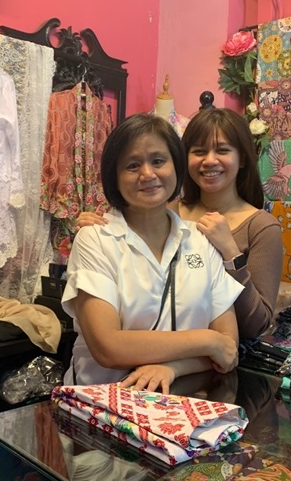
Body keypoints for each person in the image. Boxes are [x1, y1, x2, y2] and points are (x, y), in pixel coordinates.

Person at [62, 113, 244, 393]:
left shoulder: (200, 240)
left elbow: (228, 347)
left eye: (158, 161)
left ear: (176, 167)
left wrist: (172, 368)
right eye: (133, 165)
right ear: (115, 176)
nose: (148, 174)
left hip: (183, 406)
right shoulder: (95, 239)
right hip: (102, 408)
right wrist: (208, 341)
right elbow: (107, 347)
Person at [78, 108, 283, 340]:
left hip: (221, 357)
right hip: (151, 349)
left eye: (223, 150)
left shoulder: (261, 227)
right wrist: (99, 225)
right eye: (199, 151)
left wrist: (231, 253)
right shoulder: (163, 211)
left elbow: (257, 325)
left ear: (243, 158)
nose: (210, 160)